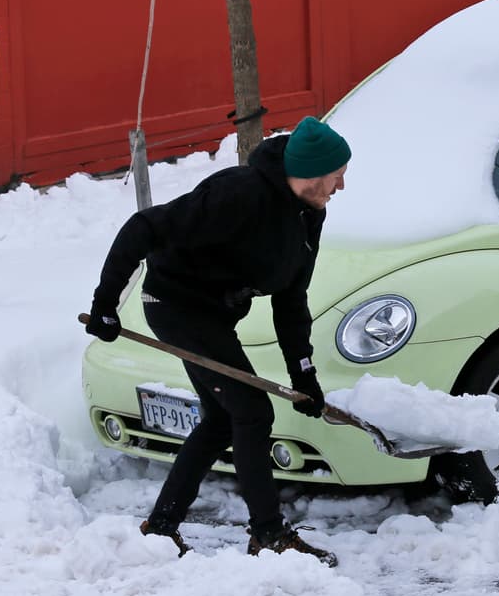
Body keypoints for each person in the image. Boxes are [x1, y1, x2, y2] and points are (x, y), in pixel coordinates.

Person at [84, 116, 350, 567]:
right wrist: (105, 302)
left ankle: (162, 528)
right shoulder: (238, 195)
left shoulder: (309, 214)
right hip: (175, 303)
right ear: (310, 172)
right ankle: (268, 535)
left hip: (214, 315)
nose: (342, 185)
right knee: (251, 410)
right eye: (337, 175)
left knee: (223, 419)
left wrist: (303, 373)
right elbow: (143, 228)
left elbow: (290, 300)